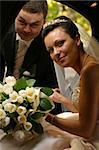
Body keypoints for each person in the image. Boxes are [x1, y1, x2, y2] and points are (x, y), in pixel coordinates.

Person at [42, 16, 99, 149]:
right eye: (50, 50)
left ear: (77, 40)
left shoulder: (90, 70)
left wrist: (47, 117)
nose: (56, 53)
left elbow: (85, 130)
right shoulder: (86, 69)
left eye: (60, 43)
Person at [0, 0, 58, 89]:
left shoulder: (49, 47)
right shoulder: (3, 33)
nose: (27, 30)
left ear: (44, 22)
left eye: (34, 25)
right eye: (22, 22)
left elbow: (51, 84)